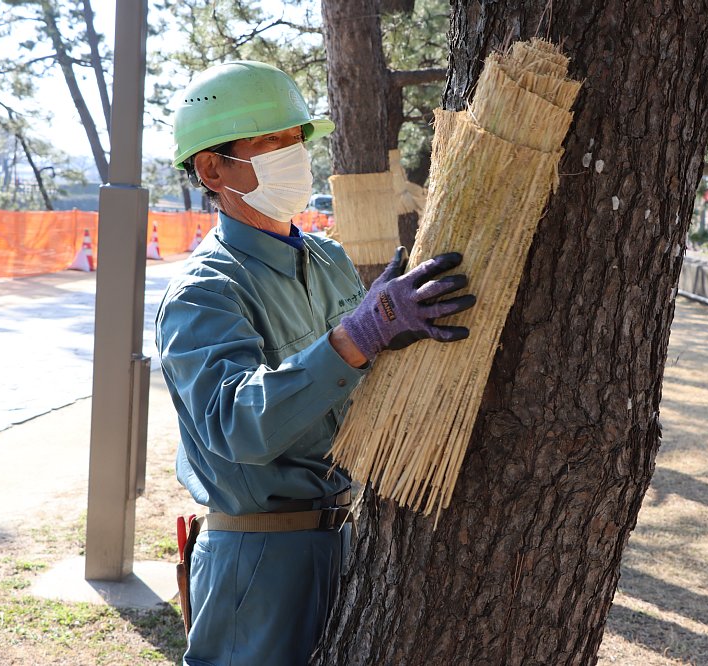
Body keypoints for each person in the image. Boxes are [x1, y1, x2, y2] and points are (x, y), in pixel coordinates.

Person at [156, 60, 477, 666]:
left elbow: (362, 378)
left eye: (297, 138)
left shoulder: (327, 259)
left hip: (354, 545)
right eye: (269, 141)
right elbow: (236, 427)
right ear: (212, 168)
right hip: (260, 563)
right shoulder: (205, 291)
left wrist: (395, 344)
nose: (293, 154)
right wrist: (356, 338)